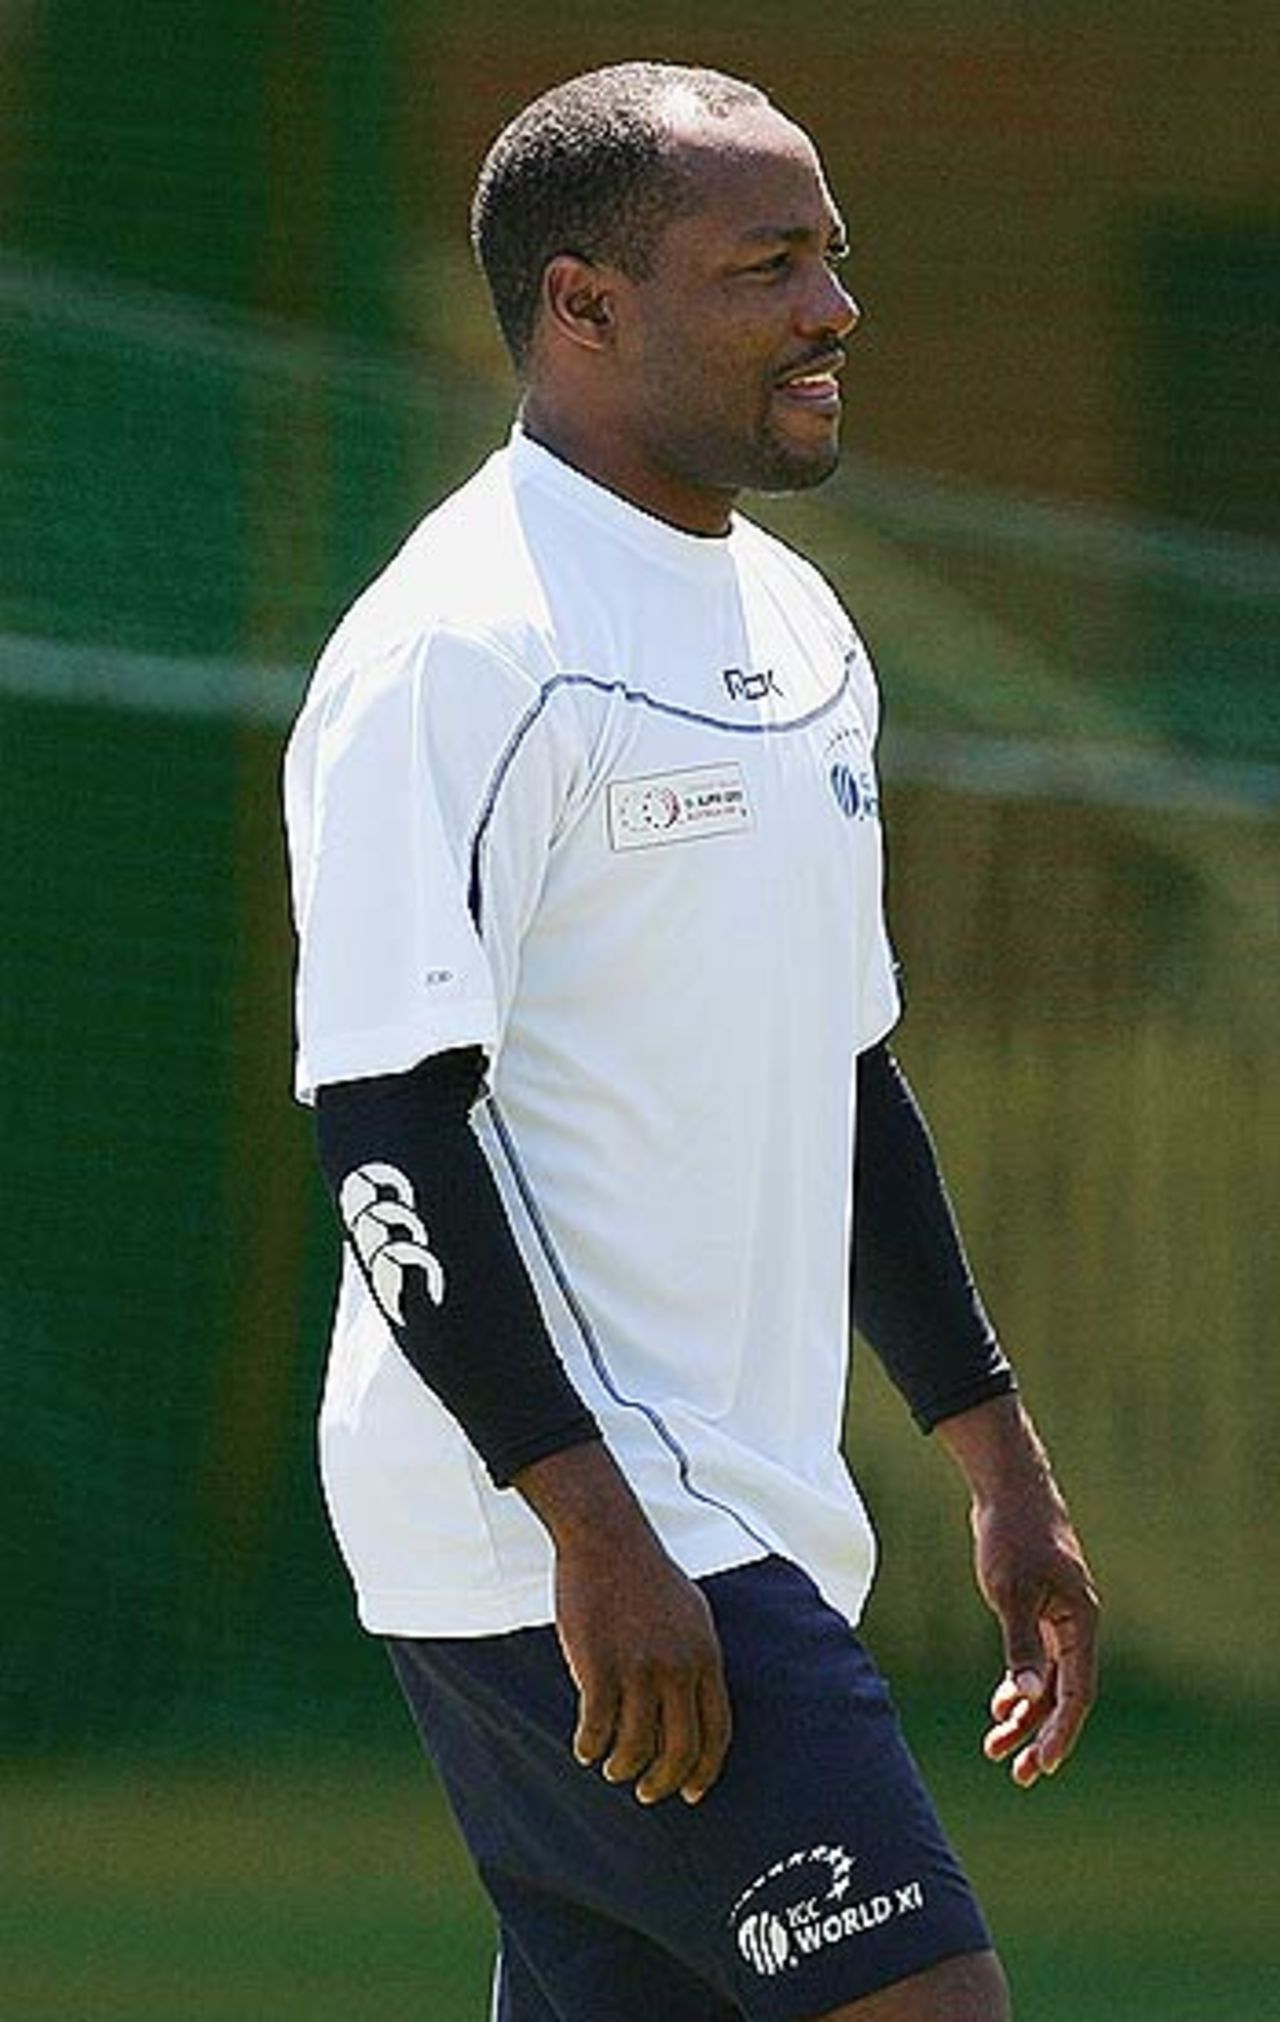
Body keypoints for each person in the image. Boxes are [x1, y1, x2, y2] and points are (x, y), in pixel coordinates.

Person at [283, 60, 1099, 2022]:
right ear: (585, 307)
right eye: (767, 267)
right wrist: (586, 1519)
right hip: (566, 1524)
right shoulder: (457, 652)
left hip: (725, 1504)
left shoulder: (803, 628)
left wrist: (993, 1451)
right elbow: (385, 1125)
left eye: (832, 258)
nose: (831, 310)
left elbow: (842, 1072)